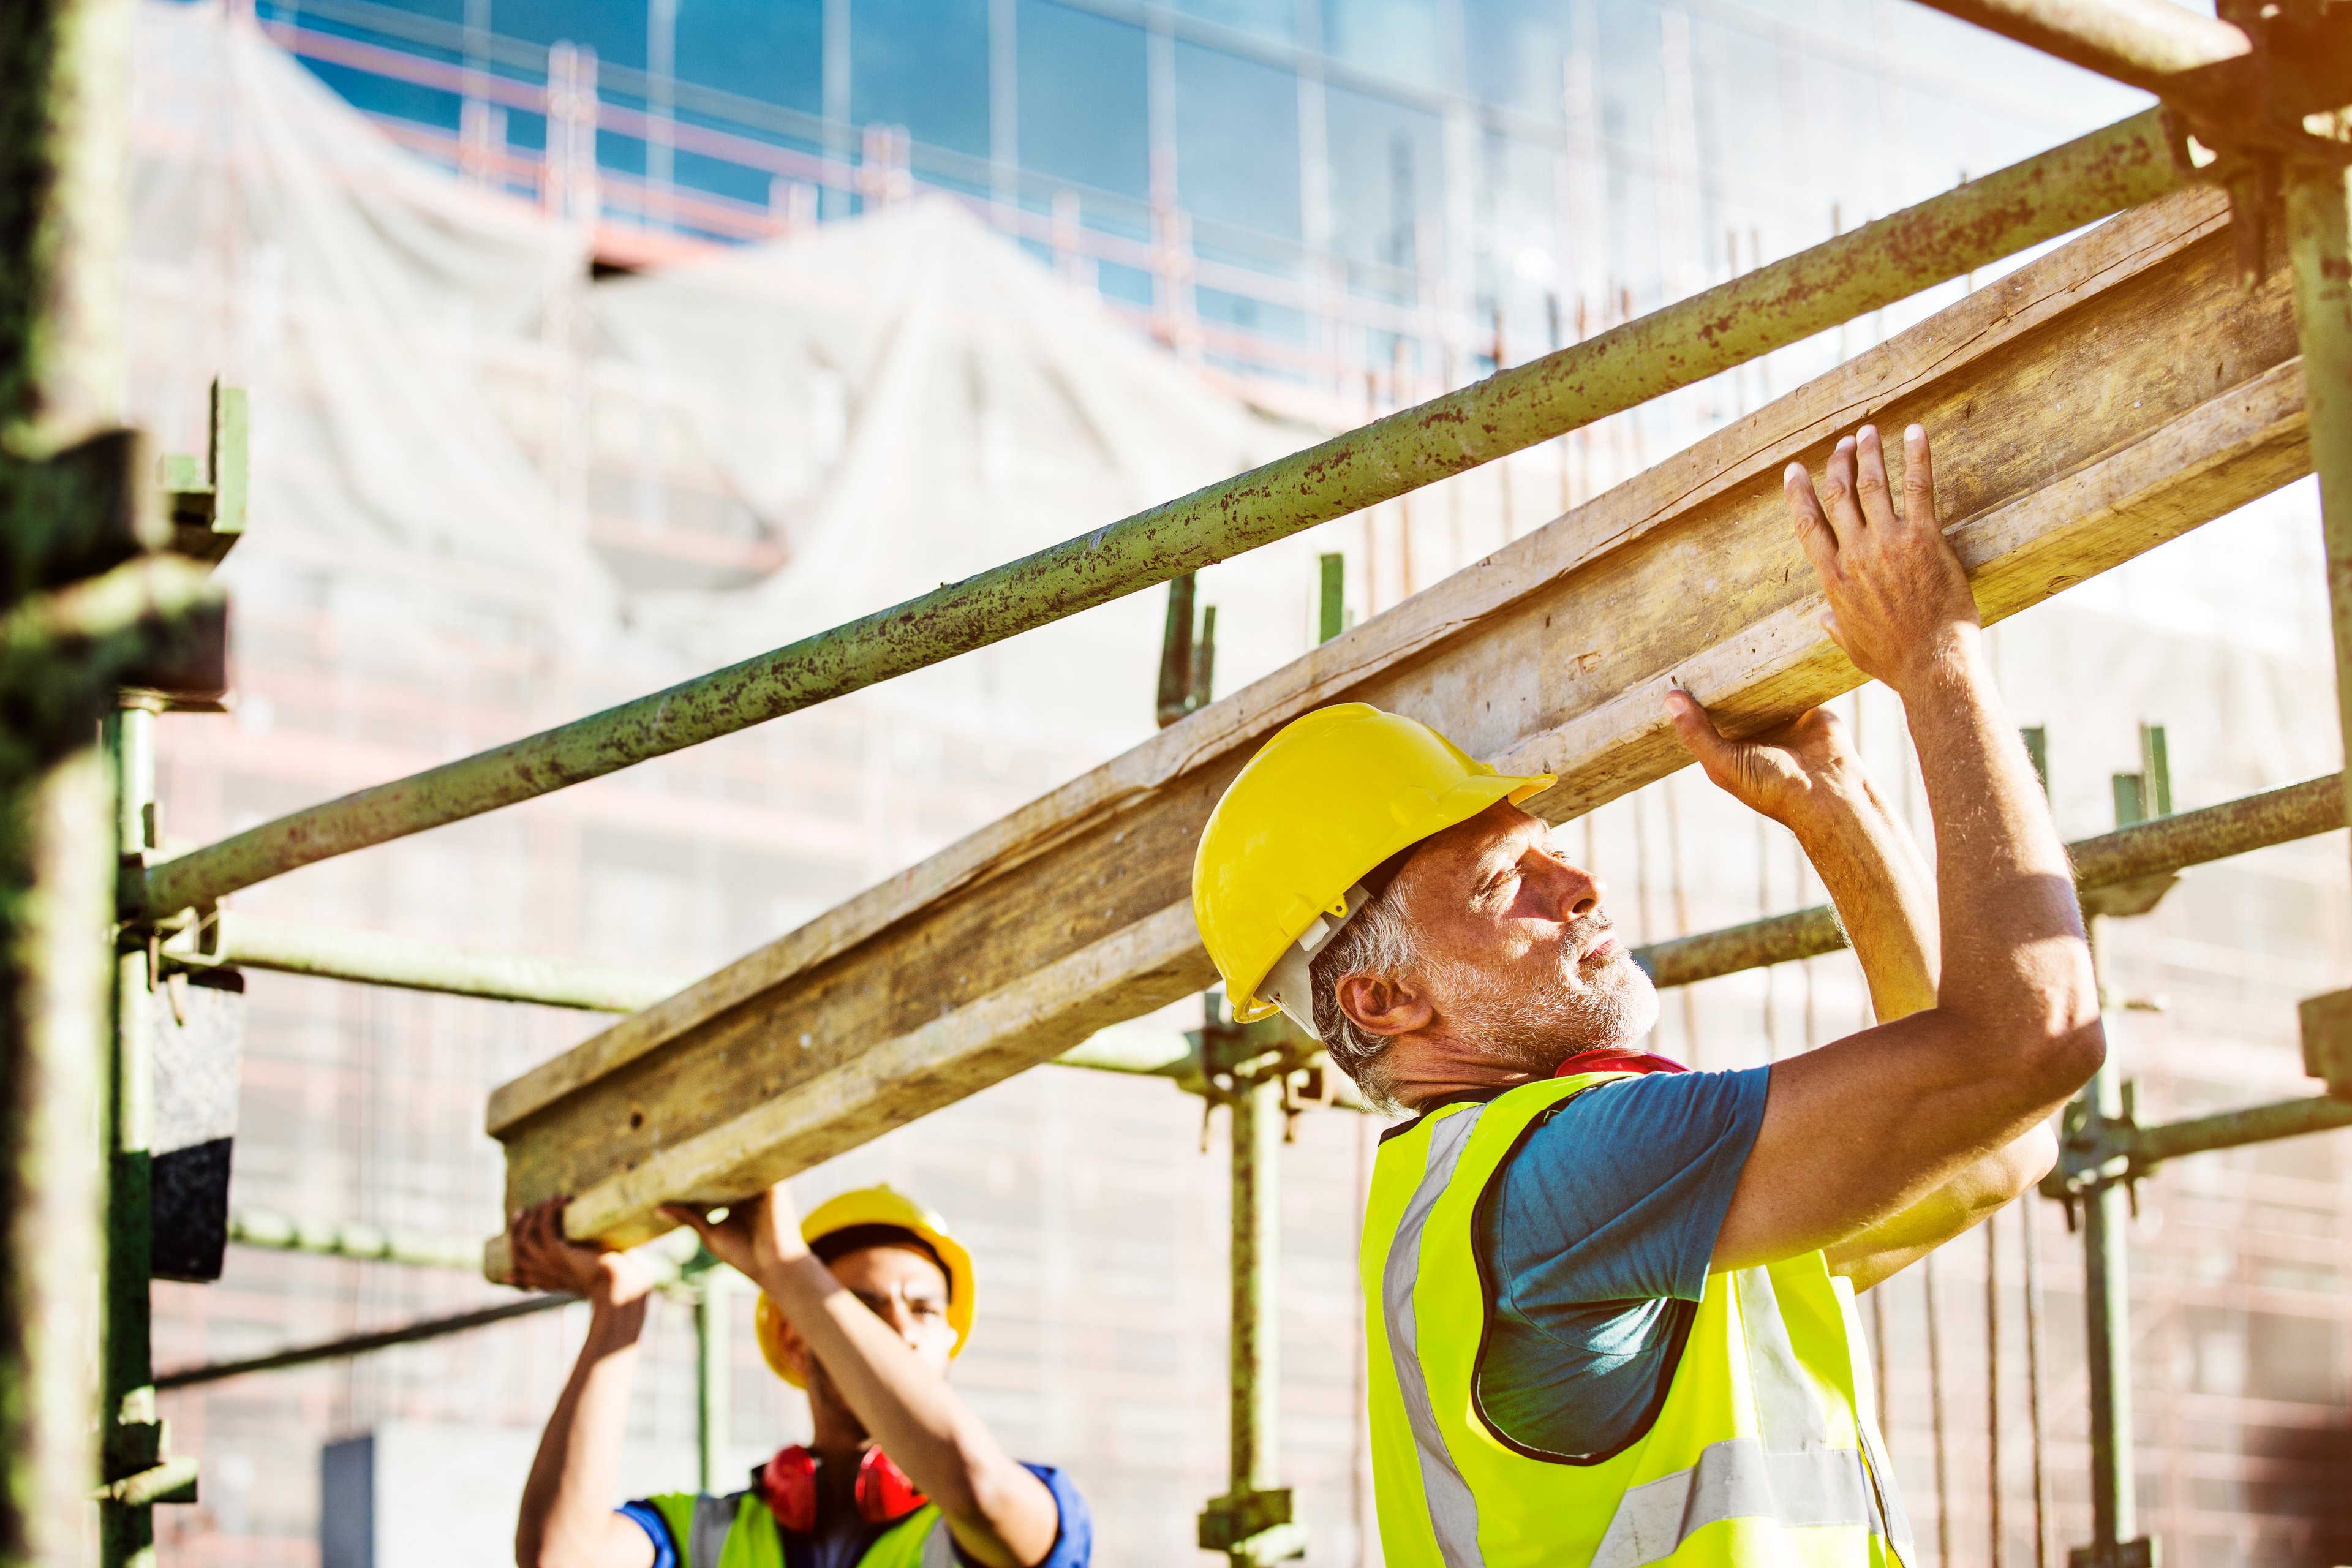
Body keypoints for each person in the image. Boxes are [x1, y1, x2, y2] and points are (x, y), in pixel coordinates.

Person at [1191, 423, 2103, 1566]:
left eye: (1552, 849)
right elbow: (2036, 1038)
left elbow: (1992, 1151)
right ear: (1382, 1001)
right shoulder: (1564, 1177)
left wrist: (1839, 808)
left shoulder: (1580, 1207)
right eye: (1503, 881)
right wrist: (1937, 660)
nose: (1578, 884)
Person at [509, 1182, 1091, 1568]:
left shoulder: (1013, 1510)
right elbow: (560, 1558)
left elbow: (978, 1491)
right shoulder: (708, 1537)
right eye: (862, 1308)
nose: (901, 1331)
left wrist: (787, 1267)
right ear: (796, 1339)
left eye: (923, 1309)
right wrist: (619, 1312)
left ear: (948, 1340)